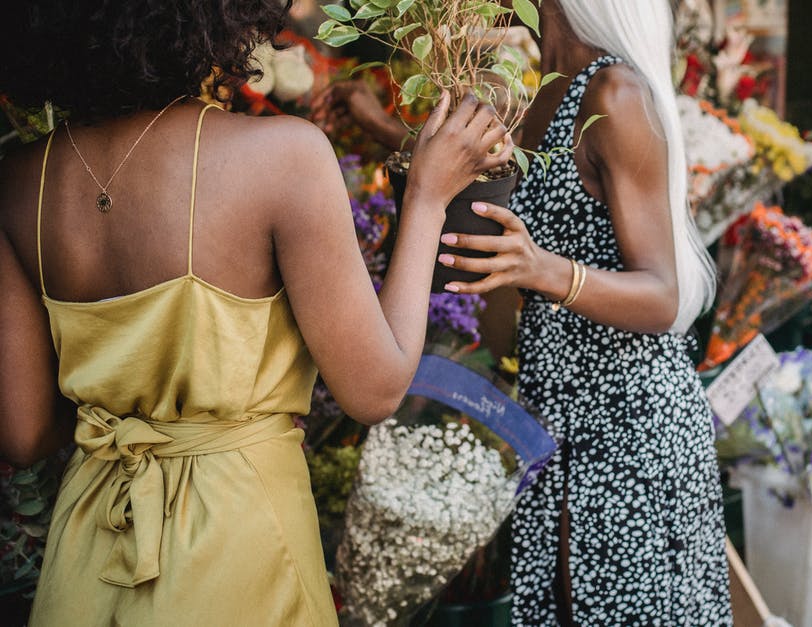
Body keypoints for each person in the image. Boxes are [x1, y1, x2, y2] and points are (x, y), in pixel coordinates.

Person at [0, 2, 511, 625]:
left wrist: (125, 396)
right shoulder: (280, 156)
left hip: (90, 542)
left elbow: (25, 433)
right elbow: (375, 388)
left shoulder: (22, 181)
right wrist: (429, 196)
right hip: (241, 537)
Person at [324, 0, 733, 624]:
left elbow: (663, 297)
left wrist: (542, 270)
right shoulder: (540, 92)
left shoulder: (615, 93)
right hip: (553, 418)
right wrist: (387, 130)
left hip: (630, 426)